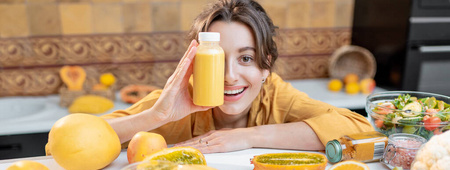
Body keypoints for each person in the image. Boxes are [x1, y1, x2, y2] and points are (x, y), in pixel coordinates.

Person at [102, 0, 373, 153]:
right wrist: (156, 117)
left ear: (266, 66)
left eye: (246, 58)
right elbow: (64, 142)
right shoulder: (176, 103)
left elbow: (360, 129)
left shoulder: (275, 96)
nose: (230, 77)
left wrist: (248, 136)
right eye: (217, 59)